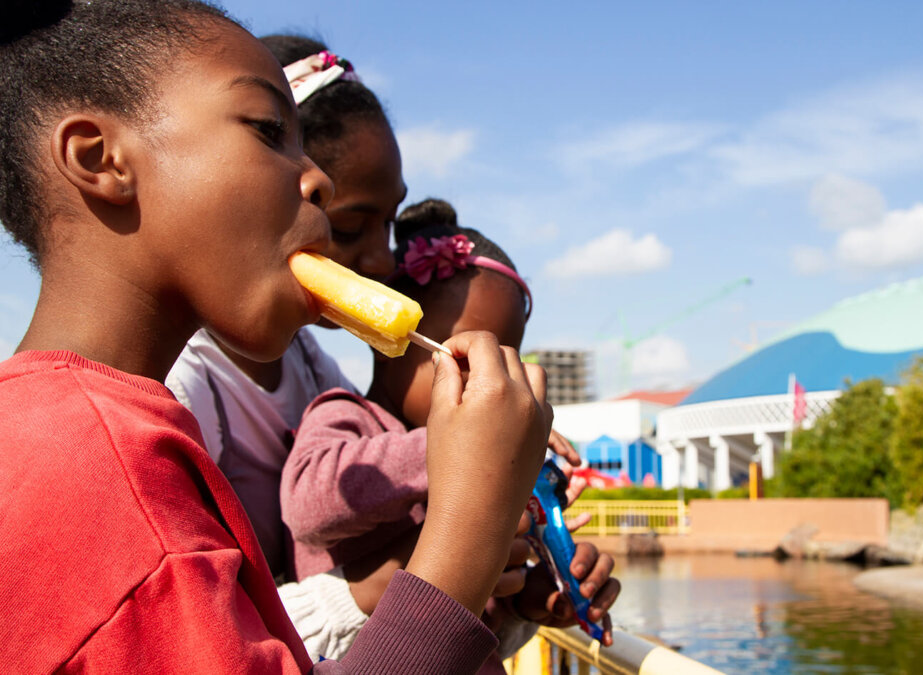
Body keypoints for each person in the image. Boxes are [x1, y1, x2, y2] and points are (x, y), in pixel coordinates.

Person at [0, 3, 553, 673]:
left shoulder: (97, 438)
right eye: (267, 130)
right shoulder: (93, 473)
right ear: (101, 158)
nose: (315, 177)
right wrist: (472, 524)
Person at [282, 200, 621, 666]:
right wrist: (460, 444)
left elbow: (458, 613)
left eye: (507, 359)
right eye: (465, 358)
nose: (496, 382)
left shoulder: (482, 472)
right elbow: (306, 505)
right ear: (386, 342)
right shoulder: (345, 417)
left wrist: (525, 600)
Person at [165, 34, 404, 580]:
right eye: (350, 226)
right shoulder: (183, 385)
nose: (384, 259)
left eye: (391, 222)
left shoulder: (311, 364)